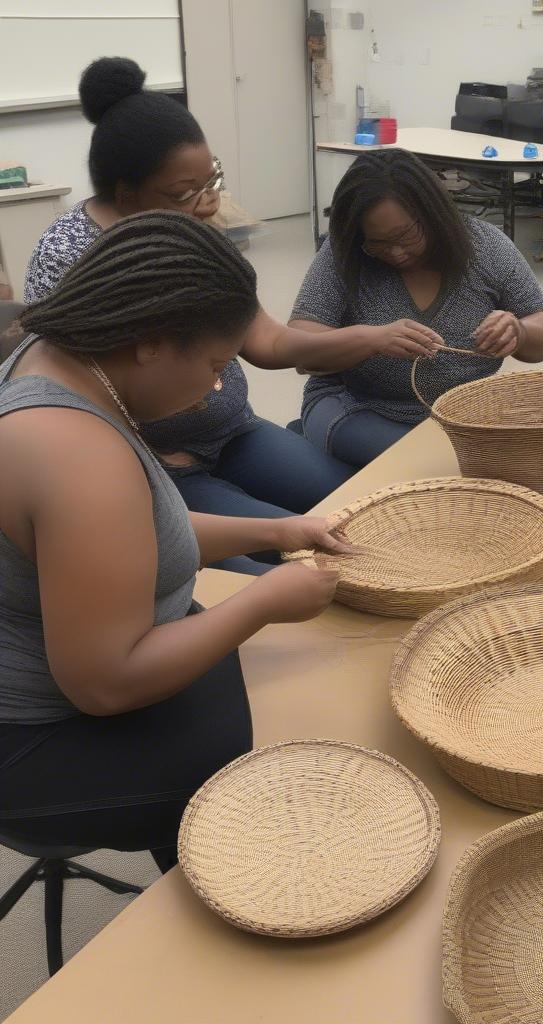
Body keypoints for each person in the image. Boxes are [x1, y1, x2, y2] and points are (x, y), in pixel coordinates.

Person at [0, 211, 349, 871]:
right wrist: (264, 600)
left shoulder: (53, 353)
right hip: (38, 739)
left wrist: (279, 530)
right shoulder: (78, 453)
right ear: (151, 342)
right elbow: (105, 686)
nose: (217, 385)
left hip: (77, 671)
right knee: (293, 738)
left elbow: (127, 539)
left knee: (260, 667)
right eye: (217, 364)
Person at [23, 57, 366, 573]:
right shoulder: (72, 259)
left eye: (213, 181)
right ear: (125, 193)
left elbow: (263, 339)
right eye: (186, 193)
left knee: (353, 515)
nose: (207, 204)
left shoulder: (192, 227)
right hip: (159, 465)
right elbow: (77, 397)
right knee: (296, 566)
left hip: (233, 433)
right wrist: (154, 458)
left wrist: (368, 338)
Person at [288, 149, 543, 467]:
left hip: (464, 416)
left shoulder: (484, 247)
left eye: (405, 236)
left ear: (434, 213)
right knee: (435, 465)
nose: (396, 252)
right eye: (377, 243)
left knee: (524, 456)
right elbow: (300, 346)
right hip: (356, 407)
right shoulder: (345, 253)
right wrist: (371, 340)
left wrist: (521, 331)